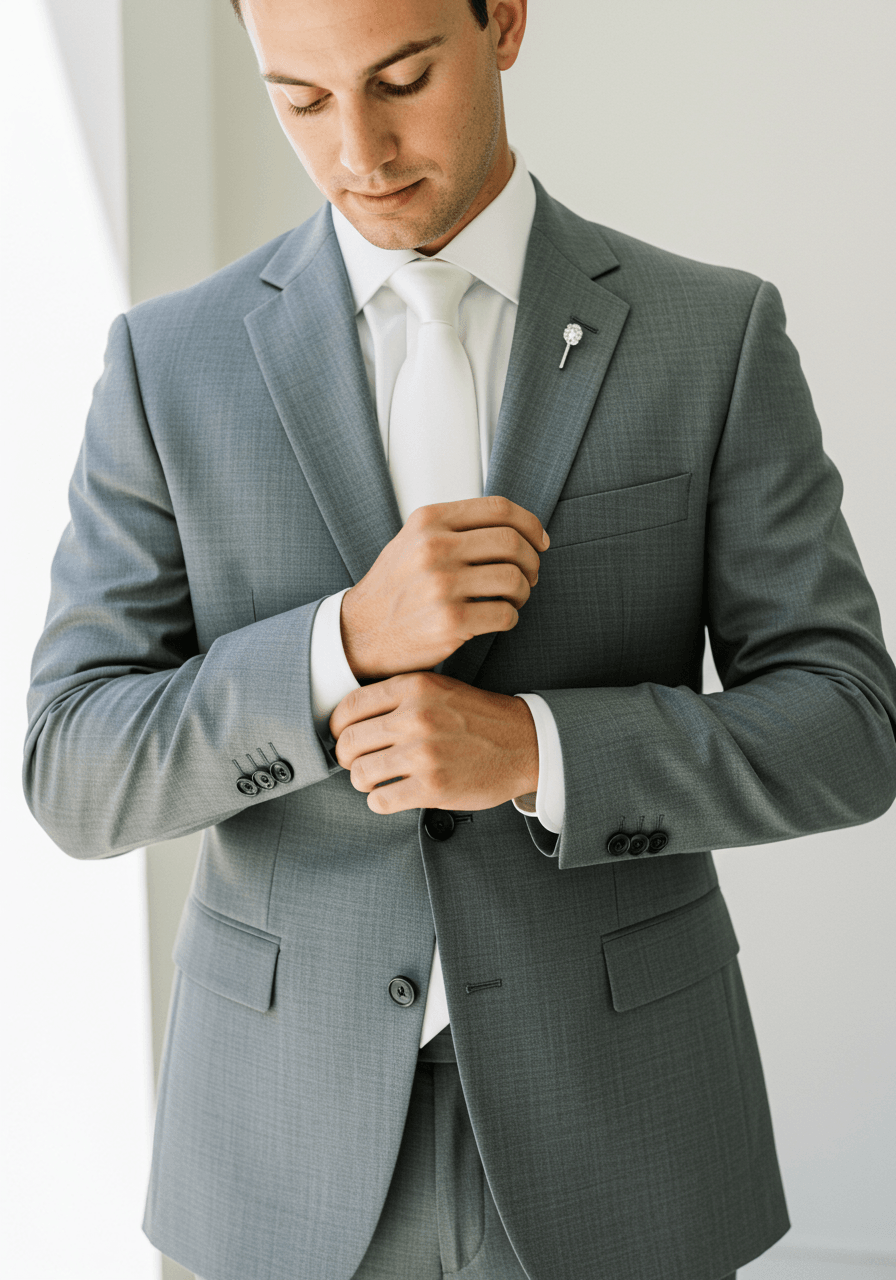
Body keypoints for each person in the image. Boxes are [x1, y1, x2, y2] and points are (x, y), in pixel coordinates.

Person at [24, 0, 896, 1278]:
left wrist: (536, 750)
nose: (359, 153)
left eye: (400, 76)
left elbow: (846, 724)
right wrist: (336, 648)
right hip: (277, 1150)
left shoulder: (710, 336)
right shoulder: (168, 365)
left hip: (623, 1131)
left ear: (503, 21)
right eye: (301, 99)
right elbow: (73, 768)